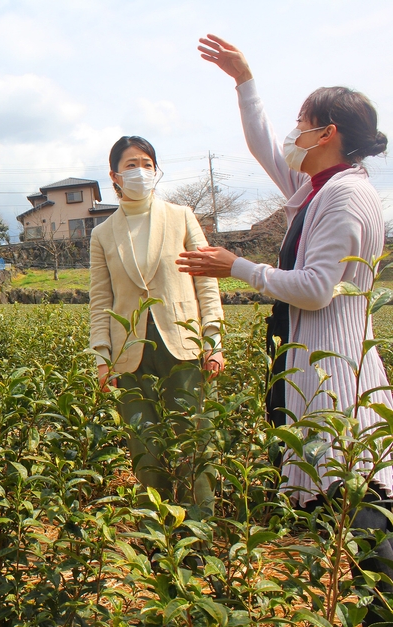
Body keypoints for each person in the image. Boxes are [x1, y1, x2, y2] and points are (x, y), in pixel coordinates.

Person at [181, 35, 393, 623]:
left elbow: (318, 287)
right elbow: (262, 147)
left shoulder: (345, 198)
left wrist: (238, 267)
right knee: (340, 494)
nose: (292, 134)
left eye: (302, 123)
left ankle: (380, 609)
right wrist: (244, 79)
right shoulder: (317, 188)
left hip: (334, 370)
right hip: (315, 363)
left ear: (326, 134)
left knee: (358, 494)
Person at [89, 136, 225, 512]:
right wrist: (102, 357)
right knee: (144, 446)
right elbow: (101, 301)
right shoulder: (102, 234)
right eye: (131, 165)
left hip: (182, 344)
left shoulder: (180, 216)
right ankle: (160, 534)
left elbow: (206, 280)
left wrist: (213, 338)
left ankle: (199, 532)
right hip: (129, 352)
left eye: (147, 163)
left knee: (193, 442)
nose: (141, 171)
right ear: (115, 175)